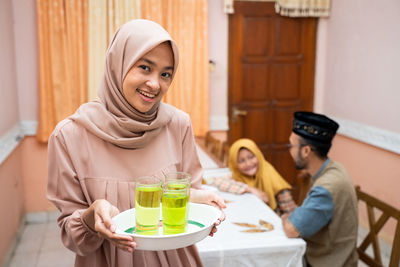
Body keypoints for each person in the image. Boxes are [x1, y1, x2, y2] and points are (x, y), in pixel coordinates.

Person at [47, 19, 225, 267]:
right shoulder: (69, 136)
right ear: (118, 63)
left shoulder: (178, 125)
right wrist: (91, 217)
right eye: (144, 67)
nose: (155, 84)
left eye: (165, 74)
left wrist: (199, 203)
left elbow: (186, 203)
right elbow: (73, 237)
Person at [281, 111, 358, 267]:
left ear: (306, 151)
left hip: (329, 261)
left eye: (291, 145)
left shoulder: (326, 187)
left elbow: (291, 230)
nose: (289, 150)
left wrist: (284, 216)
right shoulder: (332, 167)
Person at [206, 138, 296, 214]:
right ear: (234, 164)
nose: (248, 163)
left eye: (251, 157)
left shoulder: (270, 175)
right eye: (241, 161)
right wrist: (250, 189)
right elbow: (212, 181)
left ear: (258, 155)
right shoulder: (239, 175)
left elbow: (291, 212)